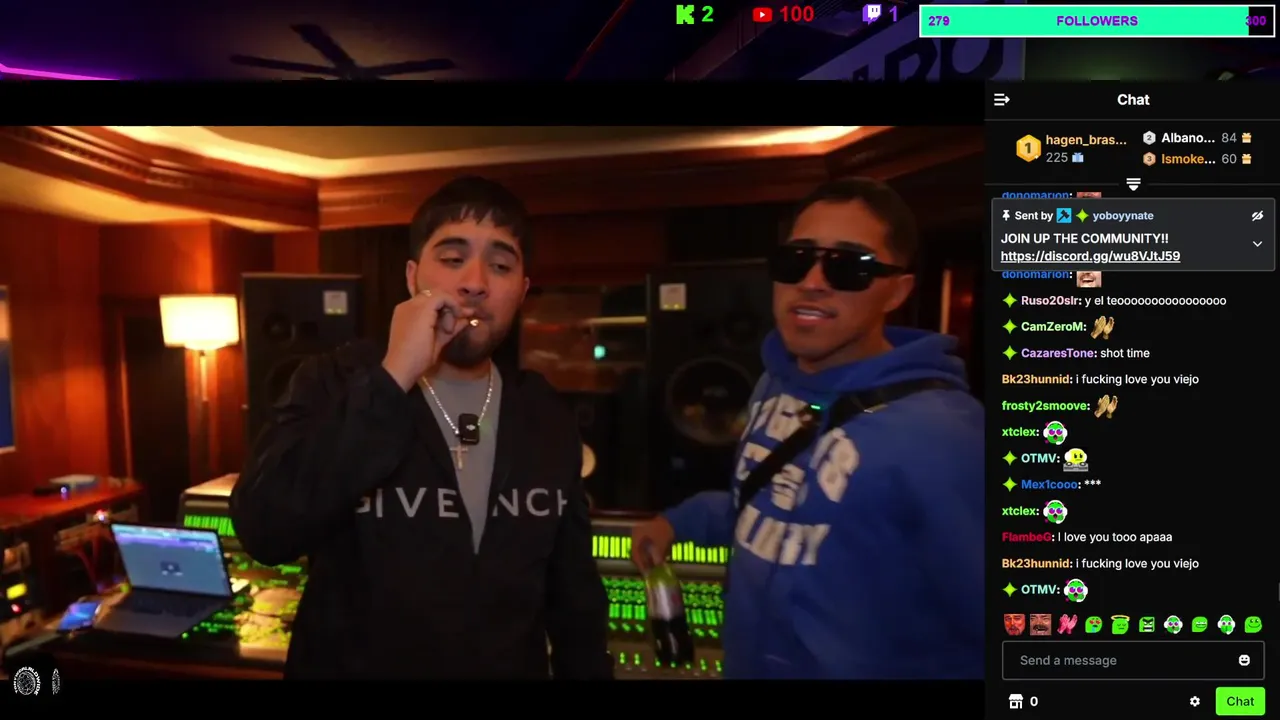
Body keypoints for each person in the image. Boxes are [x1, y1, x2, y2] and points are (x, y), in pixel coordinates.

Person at [231, 176, 611, 680]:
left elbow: (576, 603)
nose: (475, 282)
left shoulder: (543, 414)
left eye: (500, 266)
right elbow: (264, 528)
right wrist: (393, 377)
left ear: (521, 291)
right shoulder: (333, 381)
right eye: (452, 259)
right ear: (413, 278)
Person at [631, 178, 983, 679]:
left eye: (848, 266)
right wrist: (679, 522)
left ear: (897, 290)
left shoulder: (945, 434)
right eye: (796, 259)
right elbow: (778, 510)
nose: (813, 281)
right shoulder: (771, 386)